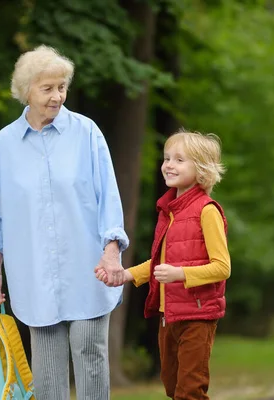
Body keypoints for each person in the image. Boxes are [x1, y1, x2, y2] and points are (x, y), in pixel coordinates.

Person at [0, 44, 129, 400]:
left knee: (90, 357)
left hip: (89, 268)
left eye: (62, 87)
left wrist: (111, 251)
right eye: (47, 88)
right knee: (46, 374)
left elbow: (109, 197)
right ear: (25, 91)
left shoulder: (87, 133)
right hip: (33, 272)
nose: (57, 96)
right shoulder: (4, 145)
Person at [96, 130, 232, 400]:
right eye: (167, 158)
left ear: (202, 168)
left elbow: (222, 267)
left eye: (179, 160)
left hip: (198, 316)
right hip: (168, 316)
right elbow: (160, 264)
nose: (168, 164)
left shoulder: (207, 210)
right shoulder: (169, 211)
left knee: (190, 390)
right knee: (172, 386)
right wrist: (125, 274)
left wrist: (180, 274)